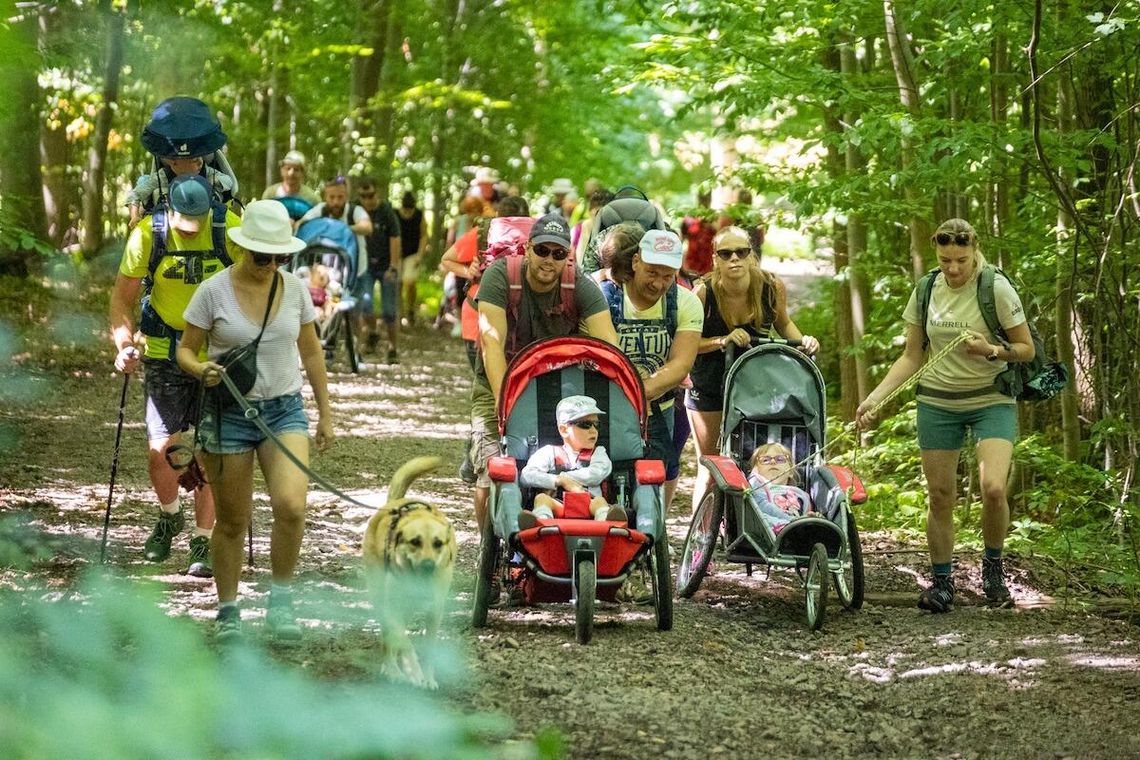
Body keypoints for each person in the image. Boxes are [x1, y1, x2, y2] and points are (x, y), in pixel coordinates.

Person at [855, 218, 1033, 612]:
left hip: (991, 399)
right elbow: (911, 355)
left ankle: (992, 569)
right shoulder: (926, 290)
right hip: (938, 401)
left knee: (994, 489)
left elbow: (1026, 349)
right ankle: (941, 583)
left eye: (961, 261)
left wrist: (991, 350)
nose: (953, 269)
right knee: (940, 496)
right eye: (945, 260)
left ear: (975, 253)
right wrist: (875, 399)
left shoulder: (995, 287)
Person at [176, 200, 334, 641]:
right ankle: (228, 611)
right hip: (228, 414)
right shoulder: (213, 291)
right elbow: (185, 349)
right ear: (243, 248)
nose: (269, 264)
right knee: (232, 519)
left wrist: (325, 413)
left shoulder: (296, 289)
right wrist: (199, 367)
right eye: (261, 256)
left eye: (278, 257)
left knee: (292, 506)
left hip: (284, 408)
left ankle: (280, 604)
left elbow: (311, 351)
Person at [109, 174, 242, 577]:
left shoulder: (230, 230)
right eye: (184, 219)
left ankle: (202, 539)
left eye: (198, 219)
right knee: (161, 453)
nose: (192, 227)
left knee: (210, 452)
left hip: (217, 355)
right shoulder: (148, 235)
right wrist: (124, 345)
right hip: (166, 351)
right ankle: (170, 515)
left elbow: (260, 284)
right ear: (169, 211)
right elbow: (121, 299)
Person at [471, 213, 618, 537]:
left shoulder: (578, 285)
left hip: (554, 382)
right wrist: (503, 401)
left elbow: (609, 345)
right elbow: (491, 343)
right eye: (542, 250)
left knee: (565, 452)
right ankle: (489, 548)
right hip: (501, 377)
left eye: (558, 253)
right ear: (527, 248)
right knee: (493, 463)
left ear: (567, 256)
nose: (548, 260)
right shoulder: (500, 276)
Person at [686, 225, 820, 517]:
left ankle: (753, 524)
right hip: (708, 382)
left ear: (751, 257)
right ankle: (700, 544)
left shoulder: (770, 287)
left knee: (750, 460)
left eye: (741, 252)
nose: (734, 259)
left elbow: (784, 324)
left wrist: (804, 343)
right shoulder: (703, 293)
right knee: (709, 466)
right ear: (715, 260)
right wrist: (723, 340)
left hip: (752, 385)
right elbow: (687, 345)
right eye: (726, 253)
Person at [597, 224, 703, 510]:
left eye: (668, 276)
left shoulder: (686, 303)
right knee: (598, 478)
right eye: (652, 273)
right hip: (604, 405)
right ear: (635, 262)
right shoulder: (603, 298)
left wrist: (640, 392)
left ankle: (648, 538)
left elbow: (681, 363)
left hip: (659, 409)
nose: (659, 283)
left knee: (651, 482)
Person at [440, 195, 530, 371]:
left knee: (484, 384)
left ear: (497, 215)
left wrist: (469, 272)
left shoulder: (485, 232)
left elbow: (447, 260)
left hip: (478, 318)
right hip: (523, 321)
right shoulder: (537, 235)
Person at [517, 395, 627, 530]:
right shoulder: (549, 452)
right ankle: (541, 522)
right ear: (564, 430)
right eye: (585, 424)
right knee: (541, 499)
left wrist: (565, 478)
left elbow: (596, 474)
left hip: (589, 504)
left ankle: (606, 523)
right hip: (558, 506)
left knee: (600, 502)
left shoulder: (599, 453)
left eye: (596, 424)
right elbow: (526, 475)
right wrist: (558, 480)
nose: (593, 430)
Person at [355, 178, 402, 362]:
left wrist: (393, 266)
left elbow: (395, 239)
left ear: (377, 194)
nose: (367, 200)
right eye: (363, 196)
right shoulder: (356, 211)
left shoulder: (386, 212)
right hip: (365, 266)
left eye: (370, 195)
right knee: (365, 304)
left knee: (389, 310)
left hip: (385, 266)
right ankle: (373, 332)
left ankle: (393, 348)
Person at [298, 176, 373, 278]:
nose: (336, 202)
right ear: (325, 197)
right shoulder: (320, 210)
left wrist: (343, 230)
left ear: (346, 197)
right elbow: (301, 224)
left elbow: (367, 227)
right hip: (329, 275)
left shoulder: (355, 211)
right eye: (332, 197)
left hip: (358, 272)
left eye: (340, 197)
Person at [746, 443, 811, 534]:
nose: (773, 462)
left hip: (800, 530)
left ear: (790, 472)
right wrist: (792, 521)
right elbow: (759, 507)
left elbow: (806, 514)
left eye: (780, 459)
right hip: (769, 529)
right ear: (756, 470)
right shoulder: (757, 487)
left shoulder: (801, 494)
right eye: (765, 460)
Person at [397, 190, 428, 326]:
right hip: (397, 253)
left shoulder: (419, 215)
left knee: (409, 281)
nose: (407, 213)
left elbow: (424, 235)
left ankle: (410, 309)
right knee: (397, 284)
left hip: (412, 253)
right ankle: (399, 313)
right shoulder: (395, 214)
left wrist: (420, 254)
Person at [680, 191, 716, 279]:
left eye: (707, 197)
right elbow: (680, 242)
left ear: (710, 198)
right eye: (702, 197)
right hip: (690, 267)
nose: (705, 200)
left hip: (709, 269)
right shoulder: (689, 218)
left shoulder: (714, 218)